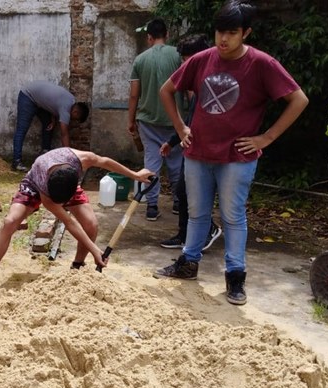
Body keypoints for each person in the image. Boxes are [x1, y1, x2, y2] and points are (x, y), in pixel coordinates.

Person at [154, 1, 309, 306]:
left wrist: (267, 137)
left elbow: (299, 99)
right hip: (197, 152)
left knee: (232, 216)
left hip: (236, 157)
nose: (223, 39)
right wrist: (181, 128)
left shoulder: (262, 64)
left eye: (231, 32)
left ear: (245, 33)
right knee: (197, 213)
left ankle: (235, 278)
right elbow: (166, 90)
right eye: (219, 31)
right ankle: (188, 264)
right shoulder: (201, 60)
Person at [0, 148, 153, 288]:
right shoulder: (45, 187)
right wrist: (95, 250)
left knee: (91, 224)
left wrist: (135, 175)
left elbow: (105, 162)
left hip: (65, 184)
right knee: (10, 222)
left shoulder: (81, 159)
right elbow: (69, 222)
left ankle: (77, 267)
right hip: (35, 186)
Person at [157, 34, 223, 251]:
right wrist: (173, 141)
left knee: (193, 194)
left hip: (209, 152)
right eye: (184, 60)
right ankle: (184, 234)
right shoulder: (195, 86)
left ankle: (209, 229)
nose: (186, 64)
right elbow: (190, 122)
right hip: (191, 147)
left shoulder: (214, 84)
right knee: (183, 192)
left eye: (189, 59)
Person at [128, 18, 184, 221]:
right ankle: (179, 203)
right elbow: (188, 89)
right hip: (175, 121)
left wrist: (131, 120)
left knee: (151, 163)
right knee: (177, 163)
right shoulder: (178, 56)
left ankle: (152, 206)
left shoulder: (140, 60)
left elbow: (134, 95)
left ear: (149, 37)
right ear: (167, 35)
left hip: (148, 121)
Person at [11, 81, 90, 172]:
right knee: (22, 129)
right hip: (28, 96)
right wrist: (70, 158)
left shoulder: (71, 100)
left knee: (48, 124)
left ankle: (45, 153)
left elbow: (53, 104)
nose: (73, 121)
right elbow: (64, 134)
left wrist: (53, 119)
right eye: (76, 119)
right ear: (76, 112)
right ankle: (16, 162)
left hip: (38, 100)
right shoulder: (66, 109)